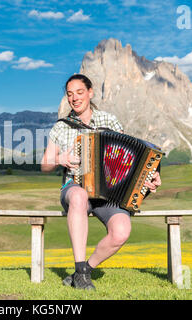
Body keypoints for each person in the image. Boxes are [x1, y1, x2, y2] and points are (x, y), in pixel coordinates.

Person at [41, 74, 161, 290]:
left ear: (90, 93)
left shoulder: (110, 121)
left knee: (121, 231)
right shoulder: (61, 127)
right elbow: (45, 164)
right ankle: (80, 268)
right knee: (78, 195)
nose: (74, 98)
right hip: (74, 187)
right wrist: (61, 159)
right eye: (70, 94)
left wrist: (149, 176)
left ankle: (83, 271)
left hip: (109, 191)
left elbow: (129, 157)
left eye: (79, 92)